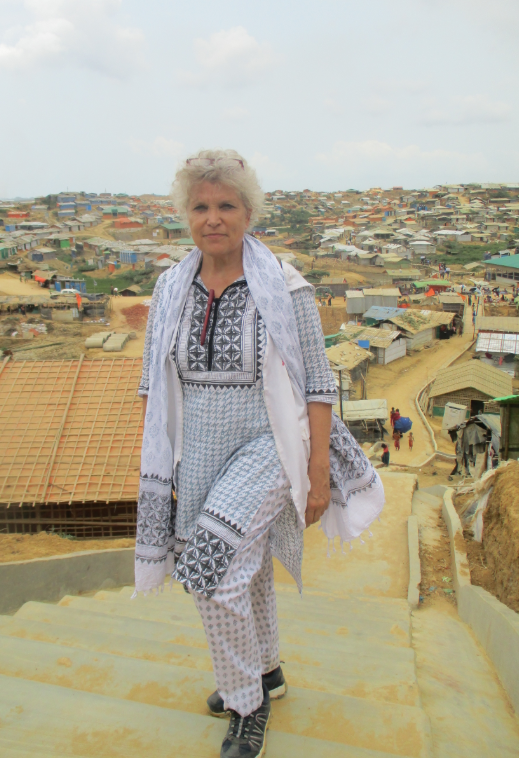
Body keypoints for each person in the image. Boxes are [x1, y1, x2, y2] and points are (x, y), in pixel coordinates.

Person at [136, 150, 384, 758]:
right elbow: (153, 385)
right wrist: (158, 466)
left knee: (210, 574)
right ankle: (266, 669)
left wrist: (317, 475)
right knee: (240, 570)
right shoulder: (170, 288)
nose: (213, 218)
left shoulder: (285, 286)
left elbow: (320, 384)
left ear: (250, 212)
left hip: (267, 446)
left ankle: (247, 706)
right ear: (184, 214)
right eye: (201, 206)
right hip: (198, 452)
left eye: (227, 205)